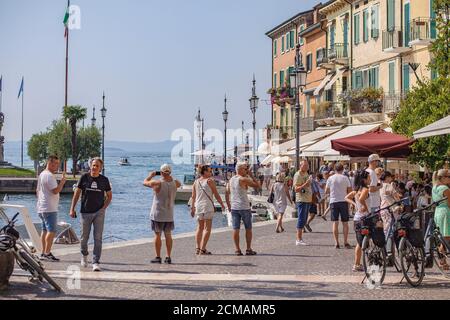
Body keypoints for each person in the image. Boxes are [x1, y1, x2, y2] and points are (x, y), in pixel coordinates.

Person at [70, 158, 112, 272]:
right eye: (93, 165)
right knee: (84, 238)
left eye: (97, 166)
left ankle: (96, 261)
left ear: (101, 168)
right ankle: (84, 255)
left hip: (99, 212)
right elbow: (77, 194)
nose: (94, 167)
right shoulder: (84, 177)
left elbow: (109, 195)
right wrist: (72, 209)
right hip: (85, 212)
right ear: (90, 166)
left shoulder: (104, 180)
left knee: (98, 238)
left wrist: (103, 208)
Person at [144, 164, 181, 264]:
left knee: (157, 235)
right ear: (170, 172)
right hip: (169, 214)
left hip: (158, 213)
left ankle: (158, 256)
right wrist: (169, 176)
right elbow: (177, 183)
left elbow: (145, 182)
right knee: (168, 235)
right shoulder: (176, 183)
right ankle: (168, 256)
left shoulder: (157, 182)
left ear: (161, 172)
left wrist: (151, 175)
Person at [225, 162, 260, 256]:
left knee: (235, 229)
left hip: (234, 207)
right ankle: (248, 249)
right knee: (248, 228)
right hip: (244, 207)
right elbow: (257, 185)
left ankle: (237, 250)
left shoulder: (231, 180)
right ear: (240, 169)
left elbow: (226, 192)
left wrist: (228, 205)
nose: (246, 170)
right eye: (245, 168)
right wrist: (252, 175)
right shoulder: (243, 179)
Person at [36, 155, 67, 262]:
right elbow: (55, 190)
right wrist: (62, 182)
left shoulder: (42, 174)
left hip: (42, 207)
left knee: (44, 230)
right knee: (52, 230)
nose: (57, 166)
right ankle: (47, 253)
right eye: (56, 163)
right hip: (50, 208)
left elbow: (37, 191)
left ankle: (43, 252)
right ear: (50, 163)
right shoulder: (49, 176)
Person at [191, 165, 225, 255]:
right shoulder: (210, 181)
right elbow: (216, 194)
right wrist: (222, 204)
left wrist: (192, 207)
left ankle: (198, 248)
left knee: (199, 228)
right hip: (207, 206)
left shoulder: (196, 182)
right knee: (207, 228)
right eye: (210, 171)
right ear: (205, 172)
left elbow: (193, 196)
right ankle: (202, 249)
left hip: (198, 206)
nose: (211, 173)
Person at [345, 170, 371, 272]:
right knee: (364, 242)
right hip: (364, 218)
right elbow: (361, 199)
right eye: (368, 178)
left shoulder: (356, 190)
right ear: (364, 180)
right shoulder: (365, 189)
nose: (370, 179)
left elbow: (346, 197)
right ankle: (358, 263)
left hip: (357, 219)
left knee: (359, 243)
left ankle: (357, 264)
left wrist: (354, 204)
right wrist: (364, 206)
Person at [325, 163, 353, 249]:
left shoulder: (330, 178)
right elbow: (350, 190)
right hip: (344, 201)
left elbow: (326, 191)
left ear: (335, 169)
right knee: (345, 223)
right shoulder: (345, 178)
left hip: (333, 201)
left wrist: (333, 191)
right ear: (342, 169)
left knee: (335, 223)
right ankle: (345, 242)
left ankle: (336, 242)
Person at [432, 169, 450, 270]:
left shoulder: (434, 187)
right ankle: (442, 260)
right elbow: (449, 203)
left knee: (443, 237)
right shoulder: (445, 188)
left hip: (437, 212)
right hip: (445, 212)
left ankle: (443, 260)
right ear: (442, 178)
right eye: (448, 177)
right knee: (446, 237)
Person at [293, 160, 313, 246]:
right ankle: (298, 239)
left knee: (304, 219)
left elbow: (307, 185)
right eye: (305, 165)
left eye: (307, 165)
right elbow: (296, 189)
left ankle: (300, 238)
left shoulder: (306, 173)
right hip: (301, 199)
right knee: (301, 219)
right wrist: (306, 184)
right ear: (300, 166)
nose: (306, 167)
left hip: (307, 199)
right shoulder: (298, 175)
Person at [379, 171, 401, 236]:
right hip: (391, 208)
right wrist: (400, 204)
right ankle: (390, 243)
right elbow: (396, 197)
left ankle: (386, 242)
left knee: (386, 227)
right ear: (387, 177)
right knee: (393, 227)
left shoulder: (380, 186)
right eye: (390, 177)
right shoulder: (389, 186)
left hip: (383, 208)